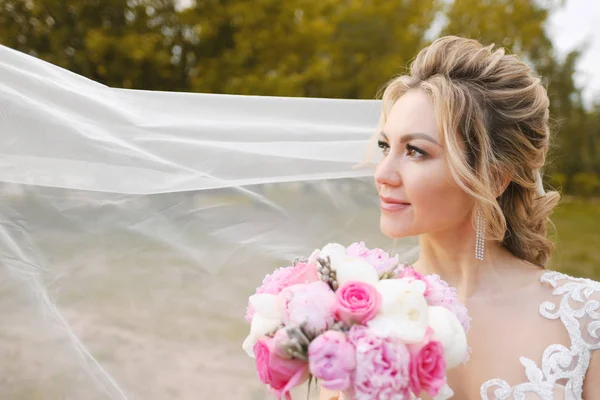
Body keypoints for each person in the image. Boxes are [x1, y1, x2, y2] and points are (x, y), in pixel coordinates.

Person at [321, 36, 600, 399]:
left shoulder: (583, 318)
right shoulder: (355, 312)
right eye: (385, 146)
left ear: (493, 178)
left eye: (416, 151)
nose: (383, 173)